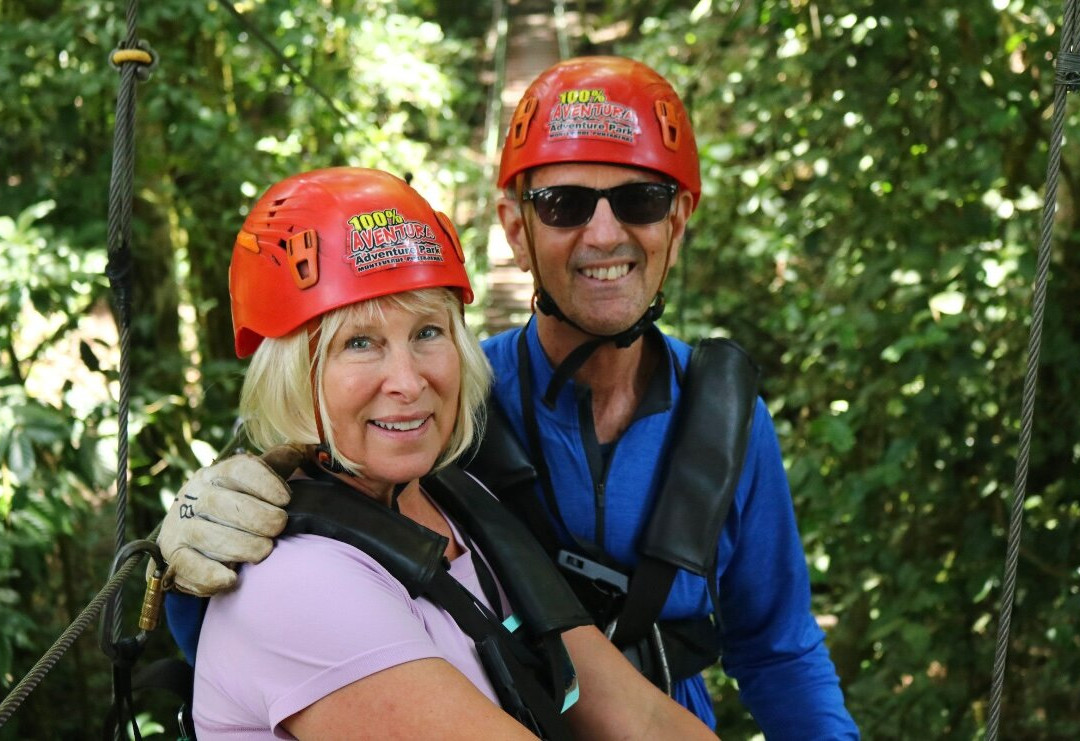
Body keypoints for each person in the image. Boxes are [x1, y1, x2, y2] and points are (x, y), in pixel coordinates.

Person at [158, 58, 859, 738]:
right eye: (564, 204)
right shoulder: (440, 412)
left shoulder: (722, 422)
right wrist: (193, 567)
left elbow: (776, 646)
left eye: (641, 199)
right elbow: (286, 586)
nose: (606, 233)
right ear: (516, 228)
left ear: (678, 221)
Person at [190, 166, 715, 738]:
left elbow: (641, 716)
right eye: (359, 343)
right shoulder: (299, 583)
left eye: (427, 333)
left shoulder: (456, 501)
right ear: (294, 372)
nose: (408, 381)